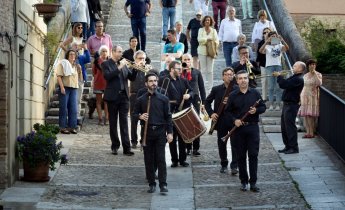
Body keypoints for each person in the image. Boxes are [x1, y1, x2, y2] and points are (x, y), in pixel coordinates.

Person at [225, 70, 266, 192]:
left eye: (245, 78)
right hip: (239, 129)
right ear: (237, 81)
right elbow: (227, 112)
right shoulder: (232, 95)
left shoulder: (255, 93)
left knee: (253, 155)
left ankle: (253, 182)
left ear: (248, 79)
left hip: (253, 127)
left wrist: (256, 111)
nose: (243, 80)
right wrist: (234, 120)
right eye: (240, 78)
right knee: (241, 156)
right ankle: (243, 181)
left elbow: (263, 107)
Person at [133, 73, 173, 193]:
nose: (153, 83)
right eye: (150, 81)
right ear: (146, 84)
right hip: (147, 133)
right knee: (148, 160)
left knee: (161, 158)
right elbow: (134, 115)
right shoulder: (141, 99)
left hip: (160, 132)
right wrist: (140, 116)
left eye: (155, 81)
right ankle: (152, 183)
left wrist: (170, 132)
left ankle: (163, 184)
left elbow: (168, 117)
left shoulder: (164, 99)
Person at [101, 45, 137, 156]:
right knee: (113, 122)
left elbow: (132, 78)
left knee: (124, 123)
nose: (121, 54)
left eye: (121, 52)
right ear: (113, 52)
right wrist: (119, 68)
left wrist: (135, 68)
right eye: (119, 52)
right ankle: (115, 146)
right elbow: (107, 76)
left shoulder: (124, 63)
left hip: (124, 97)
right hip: (112, 97)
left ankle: (127, 148)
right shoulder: (105, 64)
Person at [205, 67, 238, 175]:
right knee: (221, 143)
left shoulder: (237, 89)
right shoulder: (216, 89)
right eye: (227, 74)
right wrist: (211, 113)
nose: (229, 76)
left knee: (235, 143)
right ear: (223, 77)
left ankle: (234, 165)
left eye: (231, 74)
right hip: (221, 120)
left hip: (233, 120)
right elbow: (207, 102)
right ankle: (224, 163)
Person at [162, 61, 193, 167]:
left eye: (180, 68)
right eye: (178, 69)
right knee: (171, 137)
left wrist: (189, 95)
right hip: (170, 112)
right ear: (171, 69)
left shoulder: (183, 81)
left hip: (181, 112)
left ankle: (182, 159)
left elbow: (192, 91)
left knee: (182, 137)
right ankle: (174, 160)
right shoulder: (165, 80)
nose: (180, 70)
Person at [274, 61, 305, 154]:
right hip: (287, 104)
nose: (292, 67)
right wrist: (280, 76)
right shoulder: (294, 77)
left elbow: (284, 85)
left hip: (291, 105)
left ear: (300, 69)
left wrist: (279, 76)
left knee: (290, 127)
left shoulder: (298, 79)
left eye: (295, 66)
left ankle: (294, 148)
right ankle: (287, 146)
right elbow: (286, 83)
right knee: (284, 127)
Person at [181, 53, 206, 156]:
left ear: (191, 61)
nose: (186, 61)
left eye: (188, 59)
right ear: (182, 60)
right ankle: (188, 147)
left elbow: (202, 88)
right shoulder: (180, 72)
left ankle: (196, 147)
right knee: (186, 123)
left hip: (195, 100)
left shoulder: (197, 72)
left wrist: (204, 103)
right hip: (184, 101)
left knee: (196, 122)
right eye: (185, 59)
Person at [259, 31, 289, 110]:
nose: (273, 38)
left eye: (274, 36)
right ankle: (271, 104)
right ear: (269, 37)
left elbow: (287, 48)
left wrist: (282, 40)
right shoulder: (267, 47)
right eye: (271, 36)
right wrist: (266, 41)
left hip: (278, 66)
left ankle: (278, 104)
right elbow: (260, 51)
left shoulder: (279, 45)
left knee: (278, 86)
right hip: (269, 66)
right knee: (271, 87)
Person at [127, 50, 150, 148]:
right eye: (140, 58)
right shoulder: (131, 68)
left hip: (145, 96)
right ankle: (133, 141)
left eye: (144, 58)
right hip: (134, 95)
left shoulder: (148, 69)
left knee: (145, 118)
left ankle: (143, 139)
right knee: (134, 119)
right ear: (135, 59)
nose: (142, 60)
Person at [56, 49, 82, 134]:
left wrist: (80, 70)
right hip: (65, 88)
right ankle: (63, 127)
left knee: (73, 109)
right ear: (67, 55)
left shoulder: (76, 66)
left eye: (74, 54)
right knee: (63, 108)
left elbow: (80, 79)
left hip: (74, 88)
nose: (72, 56)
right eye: (70, 54)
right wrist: (62, 87)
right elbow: (59, 76)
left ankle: (72, 127)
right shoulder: (63, 63)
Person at [298, 59, 322, 138]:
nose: (313, 66)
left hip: (313, 97)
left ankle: (312, 133)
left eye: (314, 64)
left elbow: (319, 83)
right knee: (306, 115)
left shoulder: (318, 74)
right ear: (308, 66)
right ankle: (308, 132)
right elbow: (303, 86)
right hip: (305, 96)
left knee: (311, 115)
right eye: (311, 64)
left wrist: (314, 73)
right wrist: (300, 97)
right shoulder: (305, 75)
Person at [197, 15, 219, 91]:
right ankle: (202, 86)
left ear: (211, 22)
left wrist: (209, 42)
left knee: (210, 70)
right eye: (206, 20)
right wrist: (208, 39)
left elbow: (217, 41)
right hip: (202, 52)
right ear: (203, 21)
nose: (207, 21)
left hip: (211, 52)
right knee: (203, 70)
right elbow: (199, 39)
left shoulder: (214, 31)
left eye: (209, 20)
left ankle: (210, 87)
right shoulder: (200, 30)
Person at [92, 45, 109, 125]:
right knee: (98, 101)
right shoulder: (96, 61)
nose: (104, 53)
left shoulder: (110, 61)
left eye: (106, 51)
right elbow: (93, 72)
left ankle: (107, 118)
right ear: (100, 52)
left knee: (106, 101)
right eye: (103, 51)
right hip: (98, 83)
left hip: (108, 84)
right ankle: (100, 119)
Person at [75, 42, 91, 119]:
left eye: (77, 46)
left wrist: (85, 49)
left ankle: (77, 116)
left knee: (78, 99)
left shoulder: (80, 57)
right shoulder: (68, 58)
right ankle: (71, 116)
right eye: (75, 46)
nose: (76, 48)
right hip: (70, 81)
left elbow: (88, 59)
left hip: (80, 80)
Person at [256, 27, 272, 101]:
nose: (266, 34)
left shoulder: (274, 41)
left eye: (267, 32)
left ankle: (272, 97)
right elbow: (259, 54)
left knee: (272, 81)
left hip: (272, 64)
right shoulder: (261, 43)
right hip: (263, 64)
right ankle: (264, 97)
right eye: (264, 33)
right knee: (264, 81)